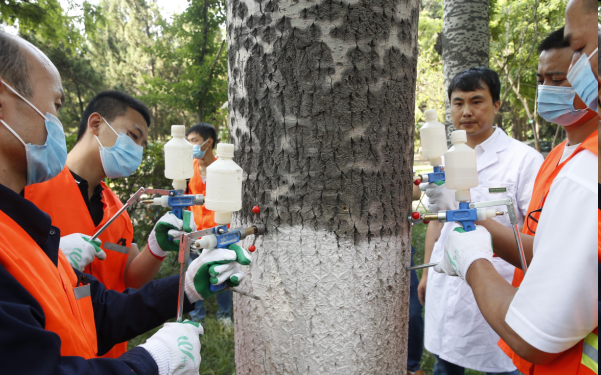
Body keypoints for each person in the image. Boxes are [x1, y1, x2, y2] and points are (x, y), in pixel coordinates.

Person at [0, 30, 250, 374]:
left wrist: (184, 281)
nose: (56, 121)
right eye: (55, 106)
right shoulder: (31, 199)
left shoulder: (107, 208)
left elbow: (98, 308)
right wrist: (152, 361)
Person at [432, 1, 598, 373]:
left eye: (558, 80)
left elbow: (534, 335)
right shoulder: (561, 158)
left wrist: (473, 260)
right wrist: (474, 221)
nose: (545, 91)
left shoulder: (584, 172)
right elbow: (544, 250)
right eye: (541, 81)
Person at [24, 90, 189, 357]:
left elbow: (129, 279)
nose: (138, 150)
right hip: (51, 349)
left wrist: (156, 247)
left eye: (143, 145)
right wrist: (51, 259)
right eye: (134, 136)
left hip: (109, 354)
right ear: (97, 124)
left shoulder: (118, 211)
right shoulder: (32, 189)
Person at [419, 67, 544, 375]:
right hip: (449, 276)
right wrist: (425, 273)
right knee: (446, 361)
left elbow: (536, 234)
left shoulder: (523, 160)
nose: (467, 112)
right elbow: (438, 221)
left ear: (497, 104)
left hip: (497, 280)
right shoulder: (445, 159)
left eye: (477, 101)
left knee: (503, 363)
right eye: (458, 103)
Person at [185, 123, 234, 326]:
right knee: (192, 274)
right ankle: (197, 317)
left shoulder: (222, 167)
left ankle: (224, 315)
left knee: (221, 273)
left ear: (209, 142)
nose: (191, 147)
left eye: (194, 141)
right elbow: (187, 199)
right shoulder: (190, 168)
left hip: (218, 231)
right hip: (195, 232)